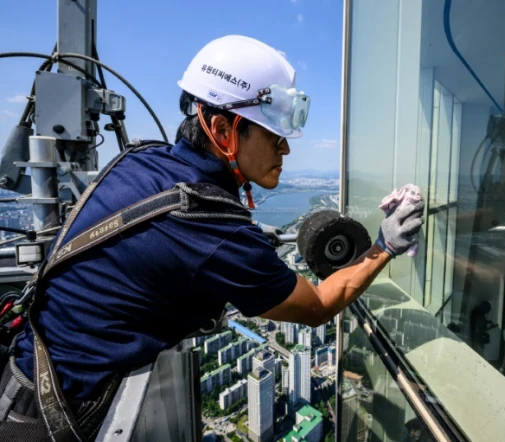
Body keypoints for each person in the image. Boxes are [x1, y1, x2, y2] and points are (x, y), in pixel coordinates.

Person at [0, 35, 424, 438]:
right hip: (60, 416)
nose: (286, 150)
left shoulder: (142, 162)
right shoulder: (208, 223)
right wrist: (384, 245)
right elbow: (315, 307)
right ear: (223, 131)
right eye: (275, 136)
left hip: (22, 381)